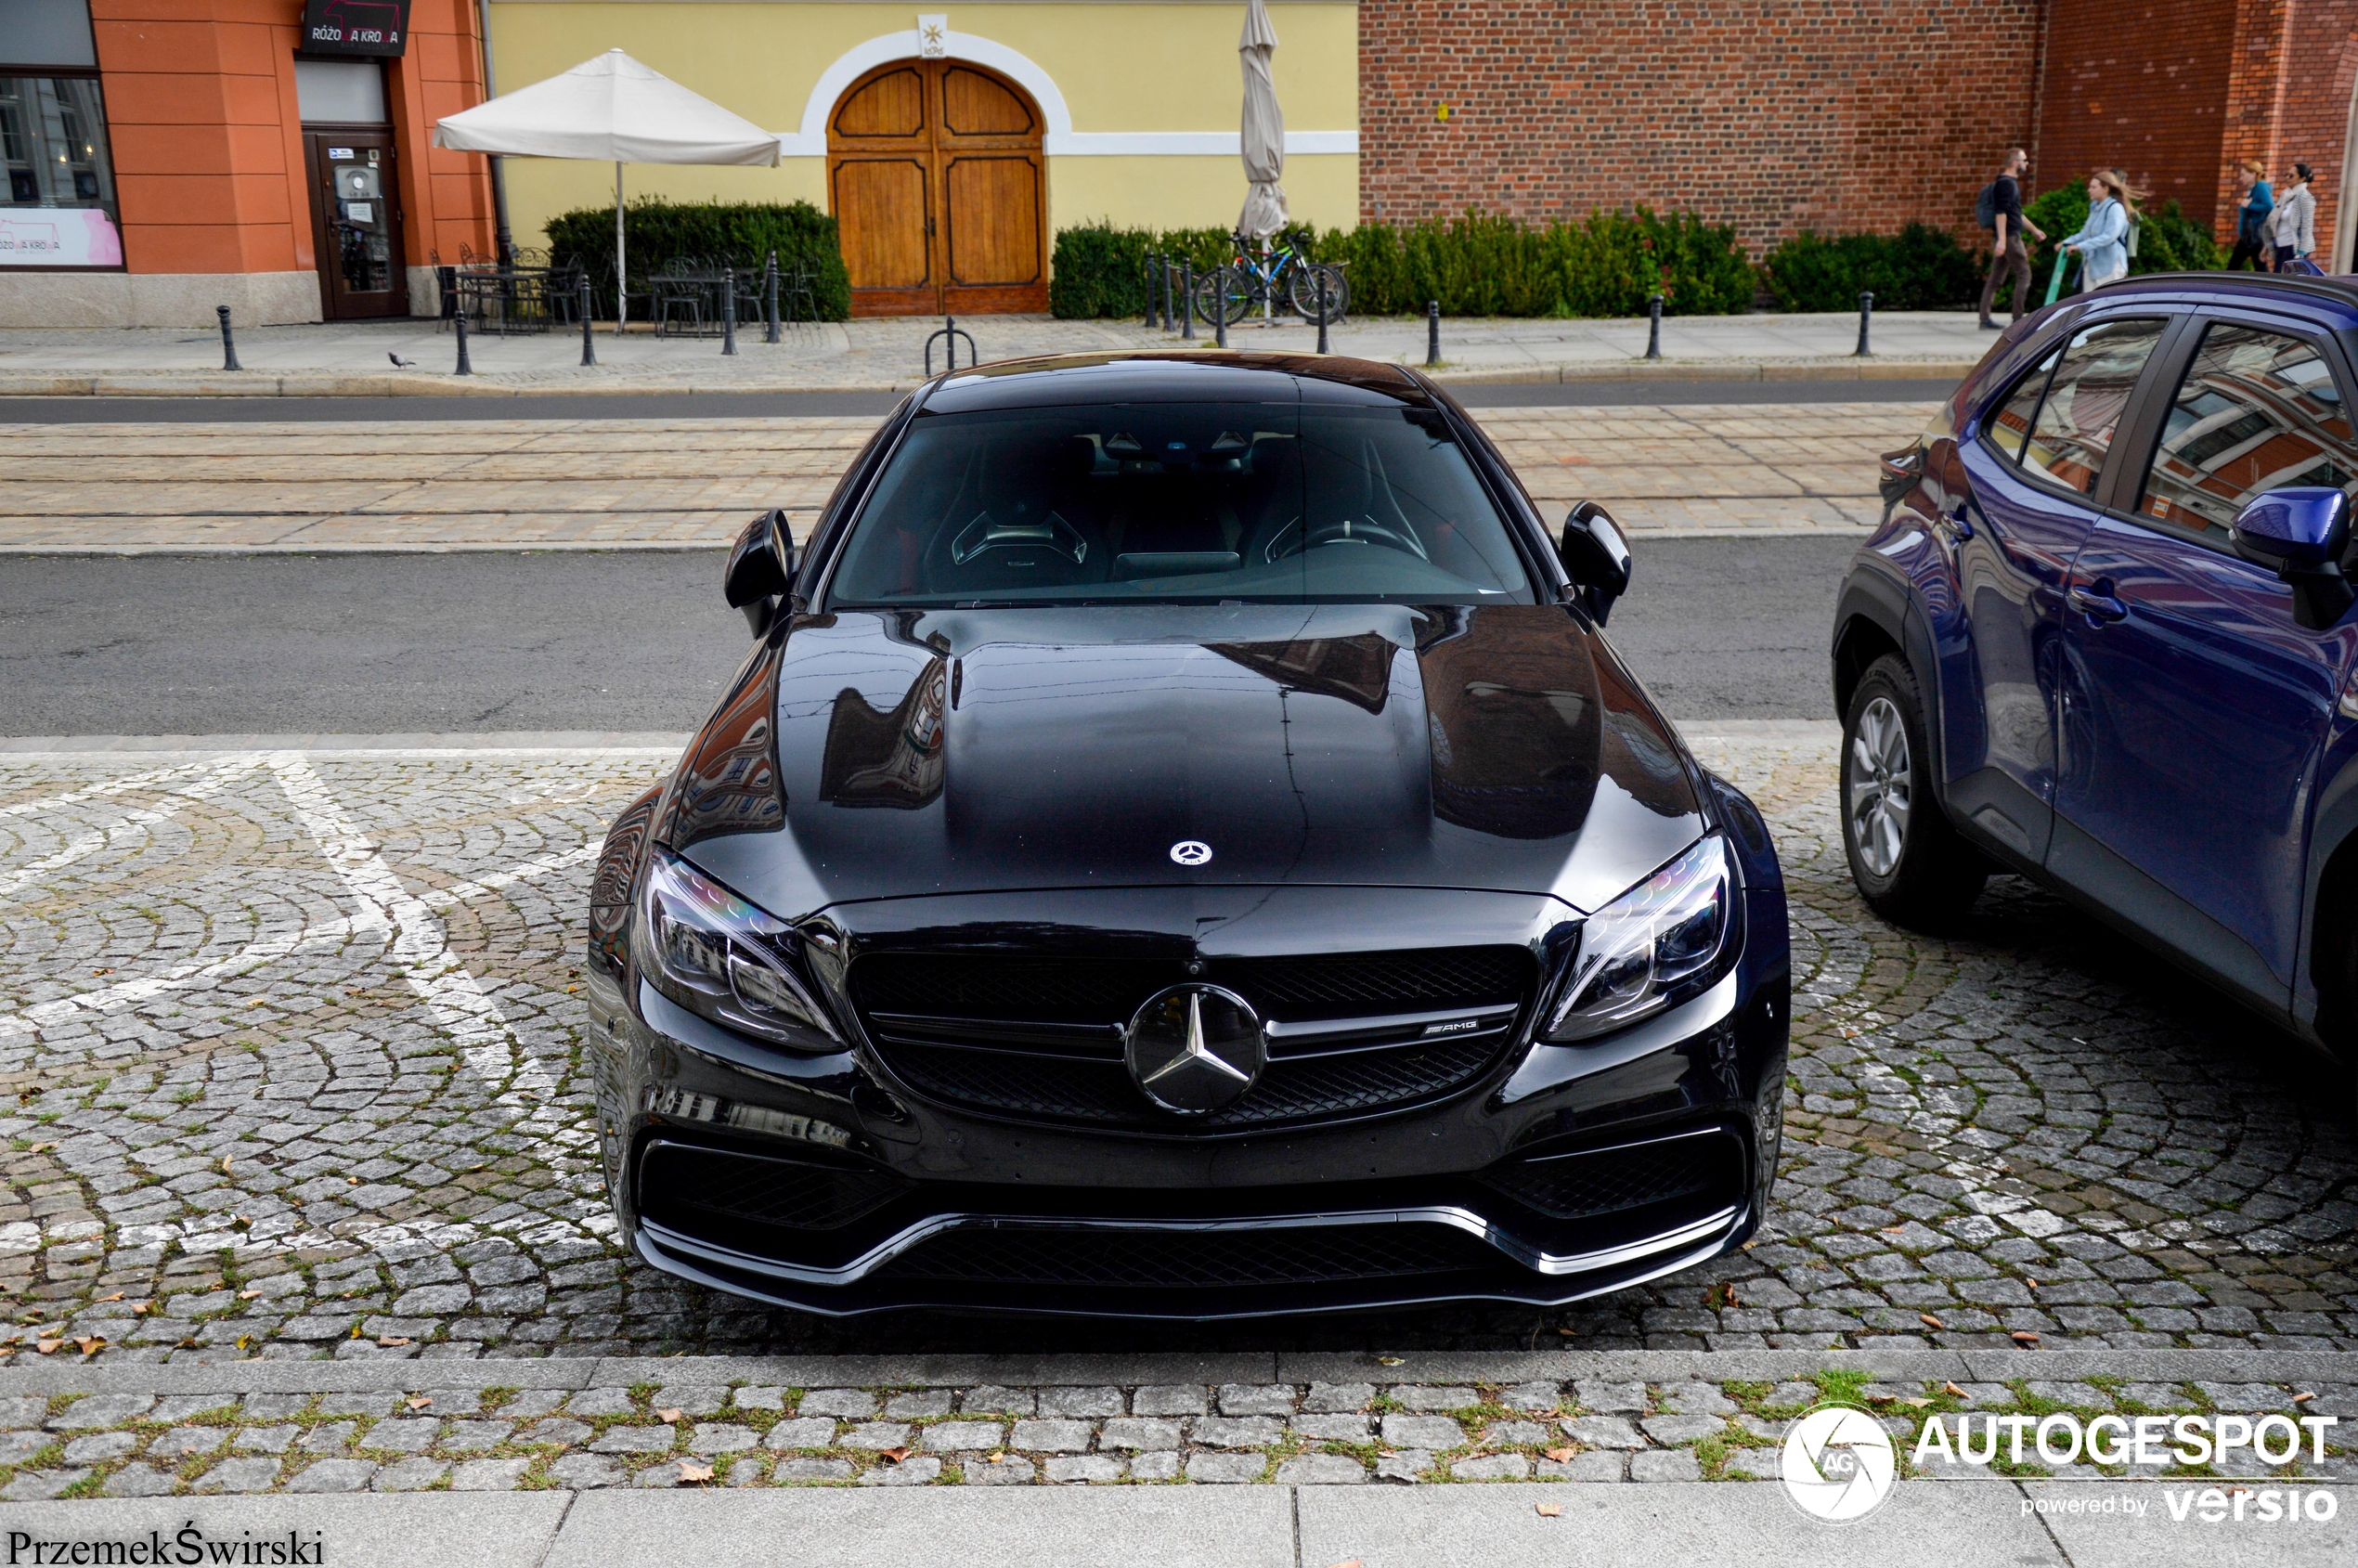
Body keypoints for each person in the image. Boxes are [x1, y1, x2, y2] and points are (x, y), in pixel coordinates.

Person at [1977, 148, 2045, 328]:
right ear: (2015, 163)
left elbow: (2016, 213)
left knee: (1996, 278)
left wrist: (2034, 230)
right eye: (2024, 160)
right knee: (2024, 274)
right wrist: (2002, 240)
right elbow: (2001, 213)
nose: (2026, 164)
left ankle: (1984, 318)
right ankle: (2017, 318)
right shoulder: (2007, 184)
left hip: (2008, 237)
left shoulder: (2008, 183)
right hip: (2010, 238)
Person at [2060, 169, 2140, 291]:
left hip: (2110, 266)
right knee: (2091, 306)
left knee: (2108, 305)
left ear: (2105, 188)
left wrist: (2079, 246)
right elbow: (2085, 233)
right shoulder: (2096, 208)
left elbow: (2109, 236)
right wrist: (2067, 242)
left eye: (2093, 187)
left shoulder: (2115, 208)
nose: (2089, 190)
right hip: (2092, 266)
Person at [2266, 162, 2315, 270]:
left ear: (2302, 179)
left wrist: (2301, 252)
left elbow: (2307, 227)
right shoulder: (2286, 195)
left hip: (2293, 247)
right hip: (2280, 244)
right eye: (2286, 174)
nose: (2287, 178)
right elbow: (2275, 221)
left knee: (2281, 280)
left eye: (2291, 176)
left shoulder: (2305, 198)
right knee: (2277, 277)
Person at [2227, 160, 2274, 270]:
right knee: (2258, 267)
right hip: (2249, 235)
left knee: (2235, 266)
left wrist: (2249, 206)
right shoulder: (2253, 189)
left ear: (2253, 175)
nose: (2241, 178)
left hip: (2254, 235)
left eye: (2243, 175)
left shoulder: (2260, 186)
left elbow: (2270, 206)